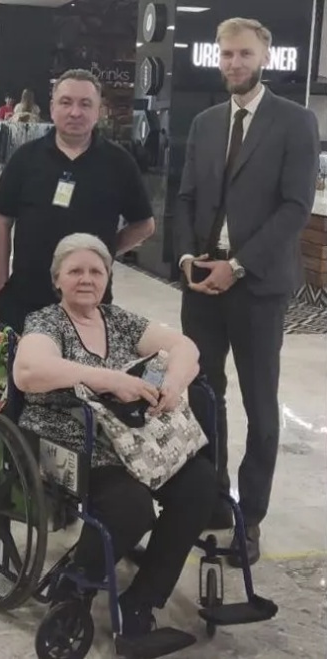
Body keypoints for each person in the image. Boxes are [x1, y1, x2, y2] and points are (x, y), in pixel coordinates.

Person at [13, 233, 217, 643]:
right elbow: (28, 371)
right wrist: (108, 379)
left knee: (200, 485)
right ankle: (75, 586)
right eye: (75, 271)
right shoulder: (46, 323)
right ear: (57, 280)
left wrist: (174, 383)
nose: (86, 279)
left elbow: (185, 347)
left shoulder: (119, 320)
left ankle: (142, 600)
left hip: (132, 439)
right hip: (70, 440)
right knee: (130, 506)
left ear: (108, 277)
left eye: (96, 271)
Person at [174, 18, 320, 566]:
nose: (234, 63)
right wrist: (187, 258)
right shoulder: (206, 122)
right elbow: (185, 197)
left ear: (264, 57)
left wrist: (236, 266)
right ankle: (211, 499)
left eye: (244, 54)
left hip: (257, 286)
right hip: (201, 285)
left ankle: (250, 516)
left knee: (260, 404)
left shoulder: (295, 122)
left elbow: (295, 208)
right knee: (203, 394)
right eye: (226, 55)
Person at [0, 68, 155, 334]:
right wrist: (1, 287)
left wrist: (104, 253)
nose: (75, 112)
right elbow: (1, 221)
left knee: (87, 362)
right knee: (24, 363)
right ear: (52, 108)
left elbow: (144, 224)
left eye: (85, 104)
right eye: (66, 102)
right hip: (25, 299)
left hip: (91, 303)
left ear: (99, 111)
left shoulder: (119, 162)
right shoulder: (25, 159)